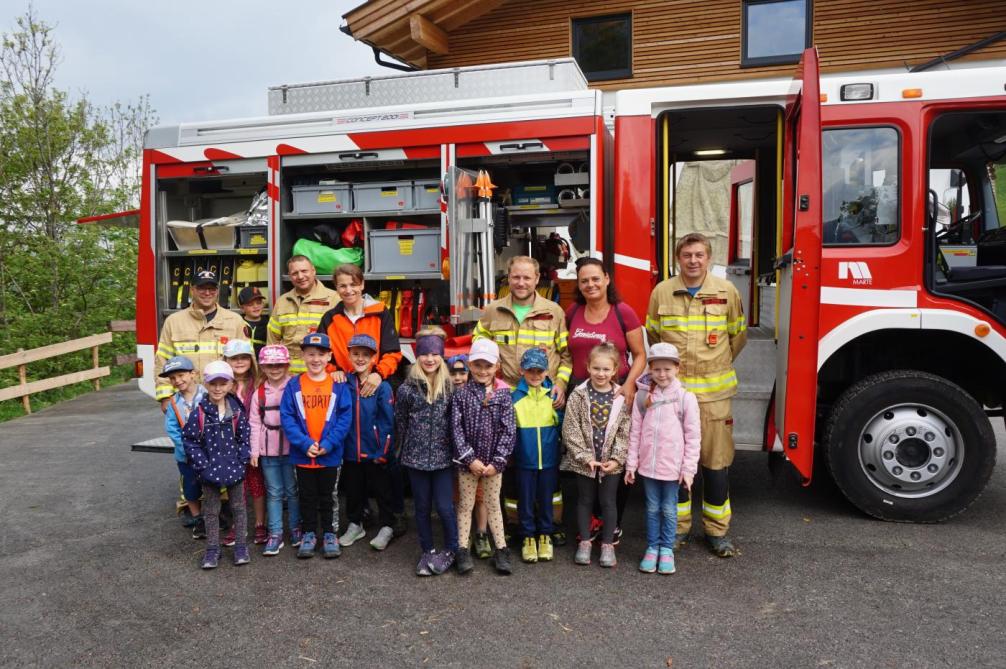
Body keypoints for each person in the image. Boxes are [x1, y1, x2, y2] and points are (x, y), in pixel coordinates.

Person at [646, 232, 747, 558]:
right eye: (687, 254)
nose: (693, 260)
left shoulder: (726, 291)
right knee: (674, 464)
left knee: (716, 465)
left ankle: (717, 533)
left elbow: (737, 337)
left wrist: (712, 367)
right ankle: (678, 529)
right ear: (678, 258)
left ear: (709, 257)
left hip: (714, 397)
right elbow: (653, 335)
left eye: (699, 254)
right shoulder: (662, 292)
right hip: (672, 397)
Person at [565, 257, 648, 543]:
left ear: (607, 279)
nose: (590, 284)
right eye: (584, 280)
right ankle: (592, 519)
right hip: (580, 394)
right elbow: (565, 351)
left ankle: (613, 522)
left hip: (615, 394)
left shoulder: (623, 312)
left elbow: (640, 355)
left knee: (614, 458)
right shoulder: (573, 311)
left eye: (595, 278)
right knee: (585, 458)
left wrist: (628, 387)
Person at [624, 343, 700, 575]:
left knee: (668, 509)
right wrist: (631, 464)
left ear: (677, 368)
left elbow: (693, 437)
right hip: (648, 467)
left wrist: (688, 470)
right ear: (650, 369)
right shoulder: (642, 398)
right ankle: (652, 547)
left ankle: (666, 549)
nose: (662, 374)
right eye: (657, 369)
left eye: (668, 369)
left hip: (673, 469)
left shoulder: (685, 398)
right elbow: (634, 433)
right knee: (651, 508)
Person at [280, 332, 352, 560]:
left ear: (329, 356)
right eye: (311, 354)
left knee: (328, 496)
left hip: (329, 455)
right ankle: (309, 533)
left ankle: (330, 533)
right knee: (306, 496)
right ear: (303, 355)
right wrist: (304, 443)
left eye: (321, 354)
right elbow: (287, 418)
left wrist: (329, 444)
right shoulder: (294, 385)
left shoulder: (338, 386)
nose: (316, 359)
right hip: (303, 455)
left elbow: (344, 418)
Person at [396, 327, 459, 576]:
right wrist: (405, 448)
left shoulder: (450, 388)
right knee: (421, 507)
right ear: (417, 356)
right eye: (424, 354)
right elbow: (401, 421)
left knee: (444, 507)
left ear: (442, 356)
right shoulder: (406, 390)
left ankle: (452, 549)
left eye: (435, 354)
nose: (430, 359)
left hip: (443, 459)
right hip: (415, 458)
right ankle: (428, 550)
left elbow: (455, 421)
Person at [561, 343, 631, 568]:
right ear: (588, 367)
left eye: (606, 369)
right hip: (585, 462)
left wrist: (617, 458)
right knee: (584, 500)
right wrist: (583, 457)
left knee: (609, 501)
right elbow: (570, 428)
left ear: (615, 370)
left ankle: (608, 544)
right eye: (596, 368)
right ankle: (585, 541)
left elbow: (624, 430)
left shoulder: (620, 397)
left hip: (611, 463)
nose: (601, 374)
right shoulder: (578, 395)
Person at [451, 338, 517, 575]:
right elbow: (456, 429)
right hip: (468, 464)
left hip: (492, 466)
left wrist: (497, 462)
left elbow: (509, 430)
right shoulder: (460, 395)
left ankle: (501, 550)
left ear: (496, 365)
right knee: (465, 505)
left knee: (493, 505)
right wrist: (470, 459)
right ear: (469, 365)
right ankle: (462, 550)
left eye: (488, 366)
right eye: (477, 365)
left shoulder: (503, 395)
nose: (482, 371)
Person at [473, 255, 572, 404]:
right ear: (508, 278)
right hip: (505, 395)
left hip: (544, 396)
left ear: (537, 278)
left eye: (527, 278)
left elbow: (567, 355)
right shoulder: (492, 311)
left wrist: (560, 384)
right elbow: (479, 345)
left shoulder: (554, 312)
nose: (521, 283)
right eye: (516, 277)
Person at [182, 360, 251, 570]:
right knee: (211, 510)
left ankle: (241, 546)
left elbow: (244, 437)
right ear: (206, 384)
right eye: (213, 384)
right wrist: (203, 466)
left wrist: (242, 460)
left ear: (230, 384)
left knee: (238, 508)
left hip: (234, 469)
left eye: (223, 383)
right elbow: (190, 441)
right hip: (209, 472)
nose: (218, 388)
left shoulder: (237, 412)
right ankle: (212, 549)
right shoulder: (200, 413)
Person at [154, 269, 249, 406]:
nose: (207, 293)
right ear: (192, 290)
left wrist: (244, 394)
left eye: (211, 288)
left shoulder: (235, 321)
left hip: (226, 399)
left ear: (217, 291)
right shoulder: (174, 322)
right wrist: (166, 397)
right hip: (186, 400)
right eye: (202, 288)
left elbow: (246, 364)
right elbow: (162, 362)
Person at [338, 334, 396, 552]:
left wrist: (384, 450)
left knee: (382, 490)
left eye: (365, 355)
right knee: (353, 490)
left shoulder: (382, 387)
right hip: (351, 450)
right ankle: (355, 524)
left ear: (373, 358)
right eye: (356, 354)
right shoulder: (345, 383)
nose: (360, 358)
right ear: (349, 355)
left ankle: (387, 525)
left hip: (375, 451)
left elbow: (387, 421)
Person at [317, 264, 402, 397]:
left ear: (362, 285)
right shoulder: (330, 318)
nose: (348, 290)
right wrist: (333, 371)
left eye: (353, 284)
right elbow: (320, 352)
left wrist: (378, 374)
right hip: (342, 387)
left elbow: (392, 352)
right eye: (342, 286)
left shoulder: (380, 312)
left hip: (374, 386)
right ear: (336, 288)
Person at [249, 344, 301, 556]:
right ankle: (276, 533)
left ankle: (296, 528)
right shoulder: (258, 393)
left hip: (292, 449)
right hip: (268, 451)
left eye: (279, 364)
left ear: (287, 365)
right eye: (270, 365)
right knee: (274, 492)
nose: (275, 368)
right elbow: (254, 423)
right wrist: (254, 451)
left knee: (292, 490)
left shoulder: (294, 386)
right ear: (263, 367)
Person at [511, 348, 562, 564]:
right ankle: (528, 536)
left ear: (546, 371)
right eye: (530, 370)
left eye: (539, 371)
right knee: (525, 500)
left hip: (549, 460)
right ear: (522, 370)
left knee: (546, 499)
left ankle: (545, 535)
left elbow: (560, 425)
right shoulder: (514, 397)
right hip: (524, 461)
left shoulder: (553, 396)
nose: (534, 375)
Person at [223, 339, 266, 546]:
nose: (239, 362)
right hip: (231, 443)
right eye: (234, 358)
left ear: (251, 360)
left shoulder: (258, 382)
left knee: (256, 484)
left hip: (253, 441)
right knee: (236, 486)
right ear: (226, 360)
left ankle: (259, 523)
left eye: (243, 358)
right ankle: (236, 525)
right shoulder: (222, 384)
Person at [448, 354, 492, 560]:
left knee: (481, 496)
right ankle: (463, 536)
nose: (458, 378)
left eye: (462, 372)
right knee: (460, 498)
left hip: (477, 457)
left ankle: (481, 533)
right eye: (453, 373)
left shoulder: (480, 394)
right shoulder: (447, 396)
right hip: (455, 458)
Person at [267, 256, 339, 375]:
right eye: (295, 273)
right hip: (288, 377)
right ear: (290, 276)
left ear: (313, 271)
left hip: (321, 376)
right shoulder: (282, 302)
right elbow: (272, 342)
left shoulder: (333, 299)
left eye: (304, 271)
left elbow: (339, 341)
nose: (300, 276)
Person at [161, 356, 206, 539]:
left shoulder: (207, 395)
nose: (177, 381)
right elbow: (171, 428)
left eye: (181, 375)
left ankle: (213, 516)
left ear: (193, 374)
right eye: (173, 378)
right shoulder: (173, 402)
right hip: (186, 456)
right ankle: (197, 519)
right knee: (191, 487)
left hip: (208, 453)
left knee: (211, 486)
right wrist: (187, 448)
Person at [238, 286, 268, 356]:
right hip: (243, 363)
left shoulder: (268, 324)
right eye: (250, 304)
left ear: (263, 304)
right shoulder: (238, 323)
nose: (255, 306)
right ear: (242, 308)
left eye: (258, 303)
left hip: (262, 363)